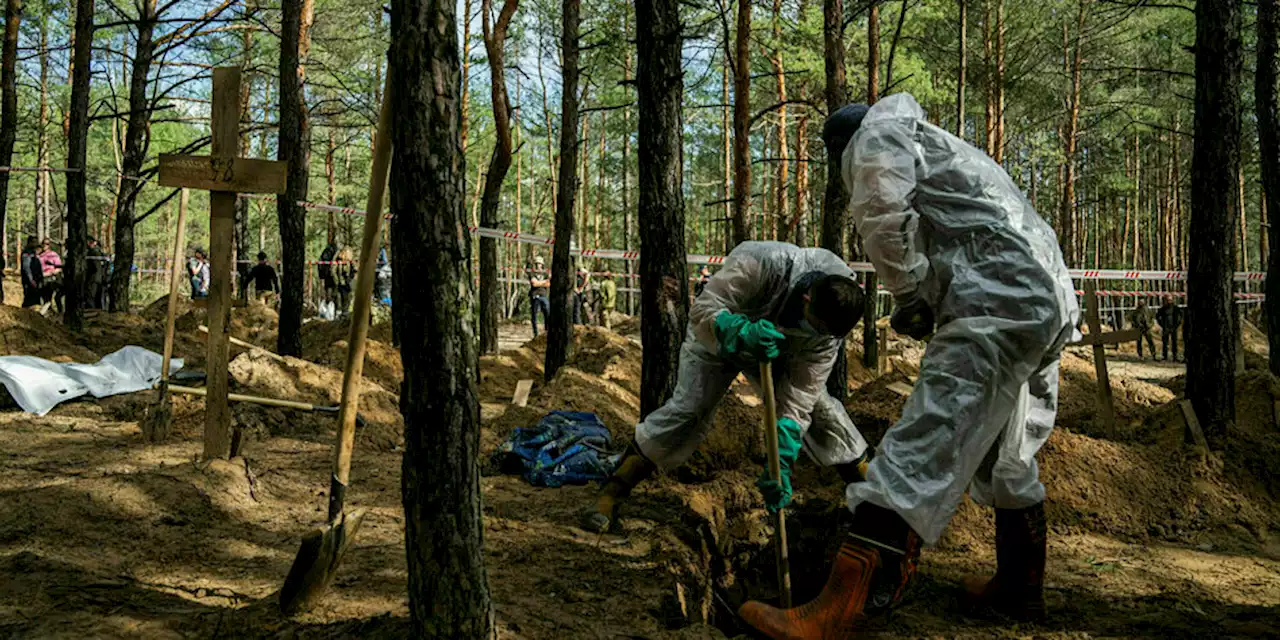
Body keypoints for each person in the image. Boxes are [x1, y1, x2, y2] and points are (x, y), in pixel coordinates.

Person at [736, 94, 1082, 639]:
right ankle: (1021, 588)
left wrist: (910, 295)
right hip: (1043, 298)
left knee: (922, 442)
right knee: (1010, 454)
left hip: (996, 304)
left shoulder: (877, 137)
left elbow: (881, 212)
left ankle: (839, 612)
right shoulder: (939, 147)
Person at [583, 241, 871, 535]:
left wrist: (781, 456)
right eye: (818, 327)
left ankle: (873, 503)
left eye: (827, 334)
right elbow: (703, 309)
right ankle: (612, 491)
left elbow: (800, 396)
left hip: (782, 354)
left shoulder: (829, 334)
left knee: (823, 414)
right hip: (719, 336)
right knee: (689, 410)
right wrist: (739, 330)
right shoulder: (764, 264)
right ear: (808, 298)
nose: (819, 336)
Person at [38, 238, 64, 313]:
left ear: (49, 245)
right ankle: (50, 314)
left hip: (50, 278)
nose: (45, 245)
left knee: (49, 298)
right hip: (41, 278)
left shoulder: (53, 255)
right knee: (44, 298)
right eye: (43, 243)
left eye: (47, 244)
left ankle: (59, 313)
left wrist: (51, 272)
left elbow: (59, 268)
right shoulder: (40, 255)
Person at [527, 256, 551, 337]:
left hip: (544, 295)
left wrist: (539, 282)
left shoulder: (545, 273)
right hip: (534, 296)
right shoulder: (532, 272)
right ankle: (536, 334)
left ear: (542, 264)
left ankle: (546, 333)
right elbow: (534, 283)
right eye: (537, 263)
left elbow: (548, 284)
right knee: (534, 316)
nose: (538, 265)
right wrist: (543, 282)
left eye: (540, 264)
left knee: (547, 314)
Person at [1156, 294, 1182, 362]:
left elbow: (1180, 317)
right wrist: (1161, 324)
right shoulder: (1163, 308)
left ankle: (1175, 357)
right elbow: (1157, 316)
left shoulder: (1176, 308)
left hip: (1174, 327)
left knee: (1174, 343)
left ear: (1172, 300)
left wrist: (1176, 325)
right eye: (1168, 300)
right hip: (1165, 328)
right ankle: (1165, 357)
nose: (1169, 301)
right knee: (1165, 343)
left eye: (1170, 300)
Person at [20, 236, 43, 308]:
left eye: (36, 242)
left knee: (35, 299)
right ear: (29, 242)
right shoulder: (26, 253)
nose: (35, 244)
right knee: (29, 298)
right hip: (29, 281)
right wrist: (31, 280)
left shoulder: (34, 253)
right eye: (33, 242)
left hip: (36, 279)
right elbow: (26, 268)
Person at [85, 237, 108, 310]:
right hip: (100, 278)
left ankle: (91, 313)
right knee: (98, 298)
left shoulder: (92, 252)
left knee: (91, 297)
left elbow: (95, 267)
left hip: (93, 278)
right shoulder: (100, 253)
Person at [335, 247, 356, 315]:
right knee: (341, 298)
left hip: (348, 282)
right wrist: (337, 281)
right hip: (341, 283)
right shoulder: (338, 261)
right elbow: (334, 271)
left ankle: (345, 312)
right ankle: (341, 312)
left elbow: (353, 271)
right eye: (348, 253)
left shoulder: (350, 262)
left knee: (348, 297)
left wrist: (350, 278)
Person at [319, 239, 338, 308]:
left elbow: (320, 264)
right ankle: (333, 308)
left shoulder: (325, 252)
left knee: (329, 290)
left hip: (327, 275)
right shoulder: (335, 252)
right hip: (331, 275)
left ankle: (330, 307)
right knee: (333, 291)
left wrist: (321, 276)